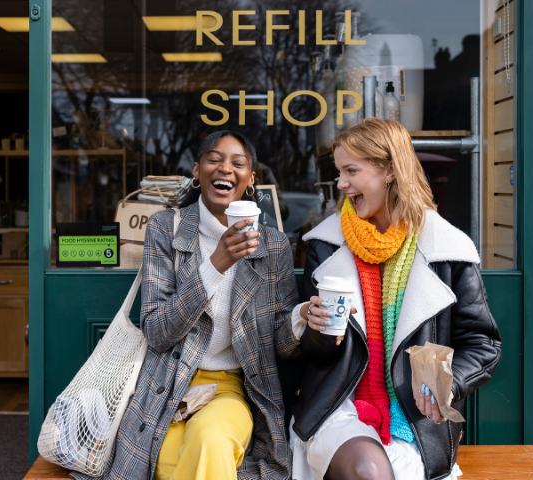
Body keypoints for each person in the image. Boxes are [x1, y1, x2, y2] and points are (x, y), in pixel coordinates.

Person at [288, 119, 501, 480]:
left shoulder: (446, 250)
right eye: (339, 172)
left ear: (389, 170)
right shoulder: (325, 246)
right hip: (340, 406)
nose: (341, 184)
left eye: (351, 171)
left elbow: (483, 344)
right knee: (369, 470)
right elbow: (315, 356)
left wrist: (448, 381)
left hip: (417, 420)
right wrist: (315, 327)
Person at [85, 131, 300, 480]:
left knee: (210, 442)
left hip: (231, 387)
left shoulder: (272, 245)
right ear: (197, 172)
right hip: (167, 386)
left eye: (238, 163)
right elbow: (156, 332)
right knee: (170, 463)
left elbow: (281, 342)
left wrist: (303, 320)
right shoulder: (165, 229)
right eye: (214, 159)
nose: (225, 169)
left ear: (250, 179)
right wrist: (216, 264)